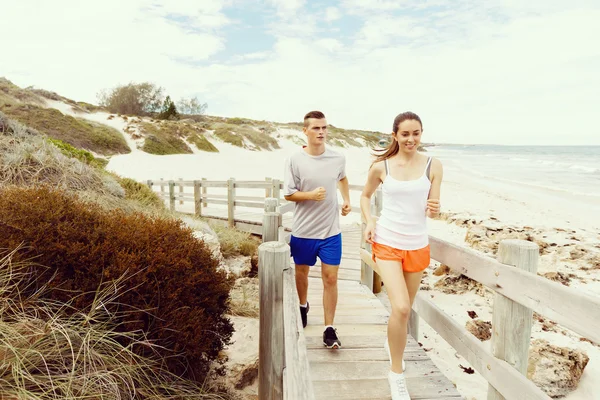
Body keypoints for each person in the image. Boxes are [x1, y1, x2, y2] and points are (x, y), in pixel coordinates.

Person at [360, 111, 442, 400]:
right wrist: (370, 221)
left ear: (422, 134)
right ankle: (396, 374)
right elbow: (365, 196)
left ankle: (392, 344)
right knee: (403, 308)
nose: (411, 139)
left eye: (416, 133)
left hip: (418, 245)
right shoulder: (381, 166)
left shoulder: (434, 165)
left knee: (402, 312)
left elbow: (435, 205)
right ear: (395, 135)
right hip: (387, 242)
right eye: (405, 134)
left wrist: (435, 209)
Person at [283, 110, 351, 349]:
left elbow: (342, 178)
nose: (321, 132)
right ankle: (303, 306)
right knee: (301, 273)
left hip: (331, 232)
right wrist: (311, 195)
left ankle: (329, 328)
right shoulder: (295, 160)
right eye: (316, 128)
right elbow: (289, 193)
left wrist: (346, 200)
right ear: (305, 131)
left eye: (324, 127)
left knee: (330, 278)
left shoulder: (337, 158)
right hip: (303, 231)